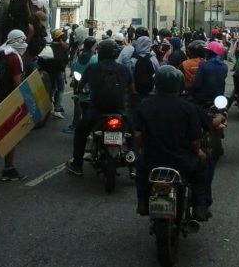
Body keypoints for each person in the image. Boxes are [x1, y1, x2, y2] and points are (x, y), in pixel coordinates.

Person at [133, 65, 218, 221]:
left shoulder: (145, 104)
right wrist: (198, 152)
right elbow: (194, 140)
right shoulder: (188, 108)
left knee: (140, 169)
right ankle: (200, 205)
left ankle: (143, 202)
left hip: (152, 159)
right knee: (205, 165)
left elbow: (137, 134)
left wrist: (143, 147)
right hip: (182, 160)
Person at [65, 39, 134, 177]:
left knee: (80, 132)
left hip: (97, 110)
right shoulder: (124, 69)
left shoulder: (92, 68)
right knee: (132, 135)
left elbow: (79, 86)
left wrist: (80, 92)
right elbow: (131, 90)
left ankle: (77, 165)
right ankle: (133, 167)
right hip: (119, 111)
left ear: (100, 53)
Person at [0, 30, 29, 183]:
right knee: (11, 133)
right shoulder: (14, 57)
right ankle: (6, 169)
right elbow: (17, 83)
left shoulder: (0, 51)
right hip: (8, 98)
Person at [65, 36, 98, 133]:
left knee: (78, 106)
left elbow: (75, 71)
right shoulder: (95, 59)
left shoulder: (78, 57)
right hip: (91, 89)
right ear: (93, 46)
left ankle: (75, 125)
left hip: (79, 86)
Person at [192, 41, 228, 105]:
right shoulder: (225, 66)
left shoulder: (203, 65)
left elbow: (197, 83)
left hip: (203, 98)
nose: (206, 53)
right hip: (219, 97)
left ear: (211, 53)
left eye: (208, 52)